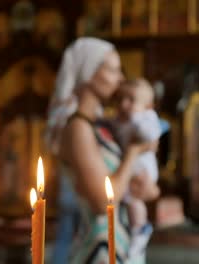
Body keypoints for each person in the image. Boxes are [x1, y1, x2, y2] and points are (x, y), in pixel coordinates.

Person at [46, 37, 159, 264]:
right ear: (89, 73)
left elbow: (140, 187)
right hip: (97, 248)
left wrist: (149, 189)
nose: (120, 78)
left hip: (121, 243)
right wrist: (134, 152)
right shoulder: (78, 128)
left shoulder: (104, 126)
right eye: (113, 70)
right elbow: (101, 202)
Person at [111, 78, 162, 257]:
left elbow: (151, 136)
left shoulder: (147, 117)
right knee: (131, 199)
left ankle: (140, 230)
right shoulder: (119, 120)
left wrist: (136, 120)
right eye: (121, 99)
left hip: (143, 169)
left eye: (131, 100)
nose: (125, 104)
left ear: (148, 105)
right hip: (131, 169)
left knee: (135, 201)